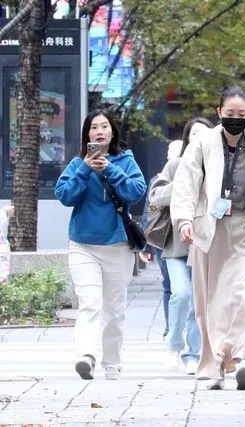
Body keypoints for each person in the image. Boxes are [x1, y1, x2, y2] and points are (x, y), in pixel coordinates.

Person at [170, 86, 245, 390]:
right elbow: (186, 183)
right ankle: (213, 367)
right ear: (219, 112)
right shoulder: (203, 144)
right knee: (210, 299)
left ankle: (238, 357)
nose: (236, 119)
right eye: (230, 114)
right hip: (211, 230)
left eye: (242, 115)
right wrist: (183, 220)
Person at [55, 110, 147, 380]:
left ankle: (112, 362)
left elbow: (135, 192)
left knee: (114, 309)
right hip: (83, 246)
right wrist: (85, 168)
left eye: (104, 126)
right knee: (90, 303)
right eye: (93, 127)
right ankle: (86, 355)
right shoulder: (76, 164)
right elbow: (65, 196)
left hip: (118, 247)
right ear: (87, 135)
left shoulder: (125, 161)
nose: (99, 131)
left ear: (112, 132)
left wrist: (111, 170)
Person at [150, 118, 214, 374]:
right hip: (177, 245)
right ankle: (173, 346)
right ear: (188, 138)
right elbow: (156, 197)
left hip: (206, 245)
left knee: (200, 300)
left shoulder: (217, 167)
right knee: (182, 293)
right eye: (194, 133)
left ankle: (192, 354)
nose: (199, 137)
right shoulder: (175, 165)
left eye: (204, 133)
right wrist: (186, 183)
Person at [139, 141, 182, 339]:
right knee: (169, 285)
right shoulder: (158, 181)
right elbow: (151, 211)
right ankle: (169, 327)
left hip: (187, 238)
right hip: (164, 238)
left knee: (181, 288)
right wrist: (146, 244)